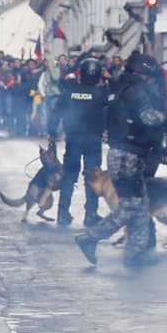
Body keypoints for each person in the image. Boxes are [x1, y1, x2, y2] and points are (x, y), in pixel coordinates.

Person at [75, 52, 167, 268]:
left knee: (141, 206)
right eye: (148, 76)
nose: (150, 80)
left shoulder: (117, 88)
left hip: (121, 151)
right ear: (141, 73)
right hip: (129, 154)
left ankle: (136, 252)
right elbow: (148, 117)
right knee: (130, 205)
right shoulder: (136, 91)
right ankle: (90, 237)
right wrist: (166, 118)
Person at [48, 55, 109, 227]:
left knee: (69, 176)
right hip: (93, 140)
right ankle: (91, 214)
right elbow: (109, 114)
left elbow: (56, 111)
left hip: (73, 138)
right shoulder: (101, 94)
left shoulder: (69, 91)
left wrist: (52, 132)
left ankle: (63, 212)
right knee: (92, 177)